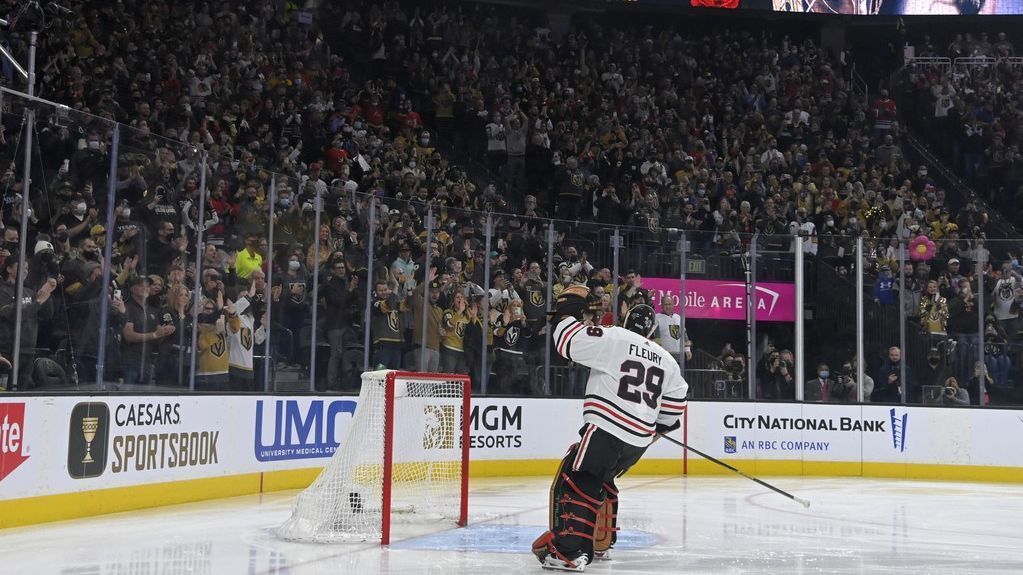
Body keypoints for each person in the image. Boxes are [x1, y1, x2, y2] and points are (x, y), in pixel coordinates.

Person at [532, 286, 688, 571]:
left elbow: (567, 341)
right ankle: (602, 543)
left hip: (607, 428)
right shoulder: (668, 360)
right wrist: (653, 430)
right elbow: (675, 408)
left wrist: (568, 309)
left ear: (627, 322)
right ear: (653, 330)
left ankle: (569, 552)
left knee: (577, 477)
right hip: (638, 441)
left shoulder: (615, 336)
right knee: (602, 477)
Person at [654, 297, 690, 364]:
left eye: (670, 304)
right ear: (662, 305)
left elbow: (684, 335)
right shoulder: (657, 318)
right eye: (666, 304)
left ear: (673, 305)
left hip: (679, 355)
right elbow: (656, 337)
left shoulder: (679, 318)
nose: (668, 306)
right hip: (664, 355)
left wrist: (687, 350)